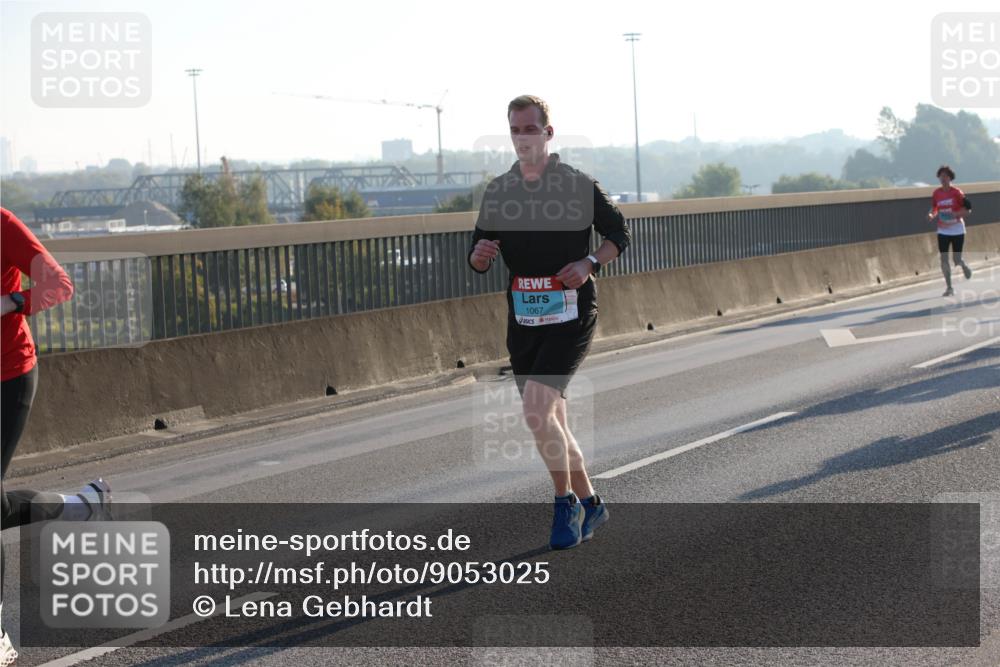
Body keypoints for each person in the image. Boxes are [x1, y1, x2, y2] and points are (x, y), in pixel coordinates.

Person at [468, 95, 631, 550]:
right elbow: (478, 253)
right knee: (550, 420)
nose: (522, 138)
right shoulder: (500, 191)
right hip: (524, 319)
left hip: (571, 314)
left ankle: (565, 504)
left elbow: (619, 234)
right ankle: (592, 502)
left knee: (536, 412)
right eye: (515, 130)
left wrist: (589, 263)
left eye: (529, 129)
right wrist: (479, 255)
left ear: (548, 133)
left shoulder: (577, 185)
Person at [1, 207, 113, 664]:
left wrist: (11, 301)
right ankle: (81, 506)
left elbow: (59, 285)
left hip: (8, 376)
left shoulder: (3, 226)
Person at [928, 165, 973, 297]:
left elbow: (968, 210)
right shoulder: (936, 193)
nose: (943, 178)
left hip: (957, 229)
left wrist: (955, 214)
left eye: (946, 176)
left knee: (956, 259)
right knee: (944, 259)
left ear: (950, 178)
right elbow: (934, 208)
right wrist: (931, 214)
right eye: (941, 176)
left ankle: (963, 265)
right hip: (943, 230)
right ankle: (949, 287)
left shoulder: (957, 193)